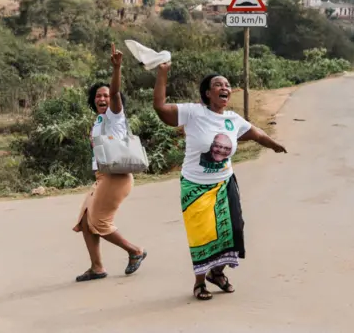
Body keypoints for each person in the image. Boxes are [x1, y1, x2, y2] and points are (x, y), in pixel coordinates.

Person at [153, 63, 287, 301]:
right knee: (202, 235)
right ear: (207, 93)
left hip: (224, 183)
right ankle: (199, 282)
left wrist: (274, 145)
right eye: (218, 85)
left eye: (227, 85)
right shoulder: (194, 113)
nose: (224, 88)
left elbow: (256, 133)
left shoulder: (232, 119)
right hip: (195, 186)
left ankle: (217, 272)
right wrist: (162, 73)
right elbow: (161, 108)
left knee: (234, 230)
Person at [73, 44, 147, 282]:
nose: (103, 98)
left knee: (100, 222)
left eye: (105, 95)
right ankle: (97, 267)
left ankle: (135, 251)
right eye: (98, 96)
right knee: (86, 220)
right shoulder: (98, 120)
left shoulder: (115, 116)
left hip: (117, 176)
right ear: (93, 101)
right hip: (103, 176)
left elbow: (115, 93)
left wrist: (117, 68)